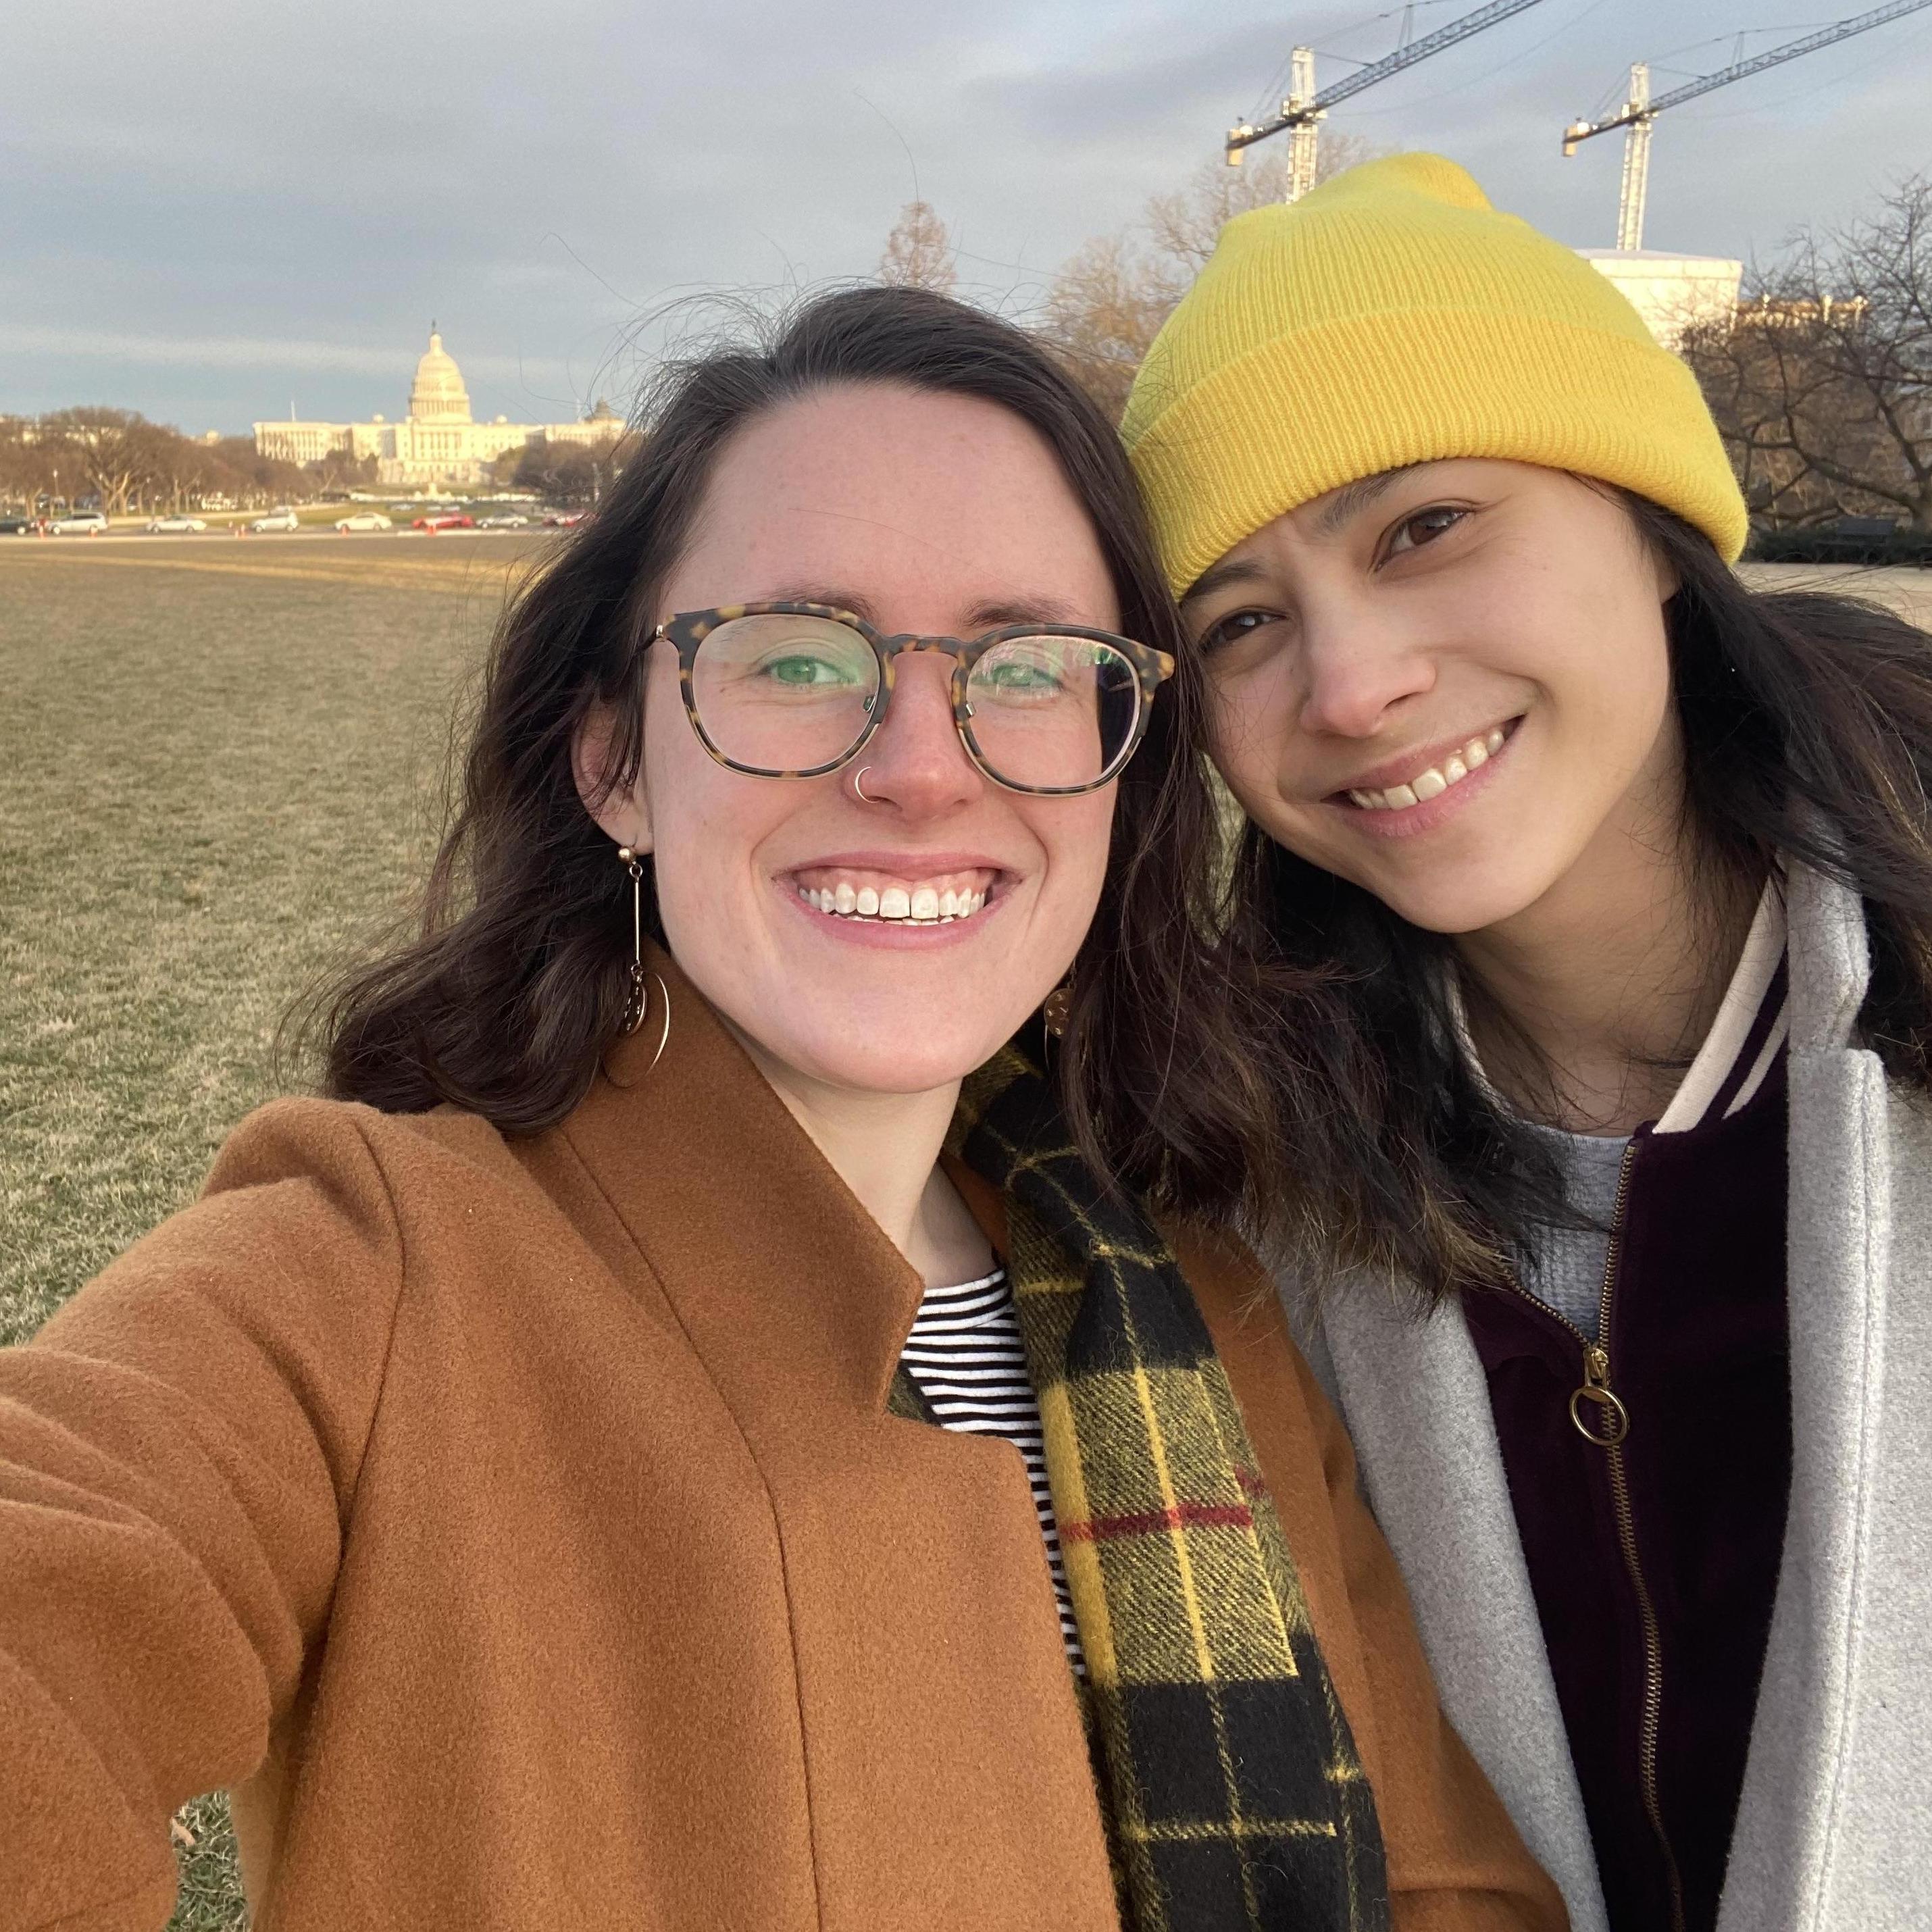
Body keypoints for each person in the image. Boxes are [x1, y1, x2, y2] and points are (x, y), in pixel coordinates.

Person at [0, 286, 1562, 1932]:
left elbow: (1445, 1886)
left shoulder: (1212, 1305)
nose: (917, 765)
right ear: (613, 761)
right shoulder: (366, 1281)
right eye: (797, 656)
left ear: (1119, 762)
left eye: (1026, 664)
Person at [1073, 153, 1932, 1932]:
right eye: (1237, 620)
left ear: (1648, 525)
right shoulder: (1234, 1185)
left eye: (1425, 527)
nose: (1349, 681)